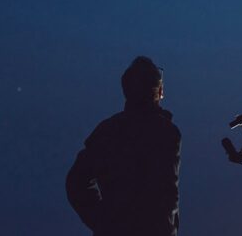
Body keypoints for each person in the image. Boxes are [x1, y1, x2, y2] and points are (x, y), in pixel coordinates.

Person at [66, 56, 181, 236]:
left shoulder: (108, 132)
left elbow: (76, 182)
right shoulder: (168, 133)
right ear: (159, 91)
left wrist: (103, 222)